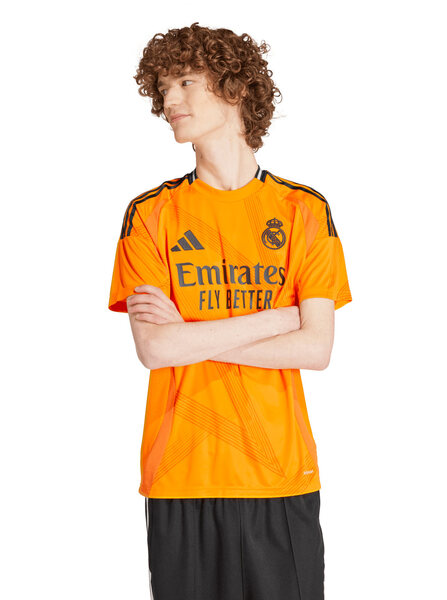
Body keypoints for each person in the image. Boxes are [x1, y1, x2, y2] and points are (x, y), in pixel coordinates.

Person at [108, 21, 352, 600]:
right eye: (162, 88)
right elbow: (156, 349)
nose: (169, 100)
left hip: (280, 477)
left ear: (235, 88)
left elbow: (316, 348)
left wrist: (191, 333)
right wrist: (280, 317)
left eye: (185, 82)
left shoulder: (303, 210)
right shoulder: (149, 214)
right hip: (180, 478)